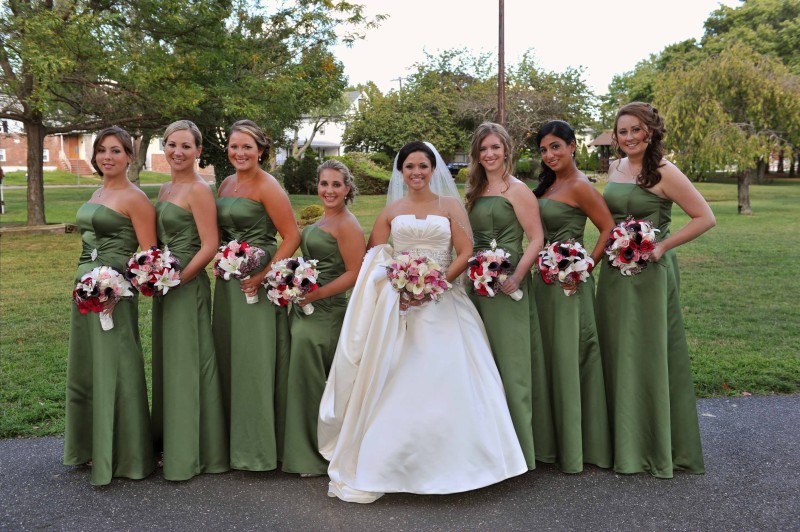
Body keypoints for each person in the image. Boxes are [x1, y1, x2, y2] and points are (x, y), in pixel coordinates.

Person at [318, 141, 526, 504]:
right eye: (409, 167)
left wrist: (437, 283)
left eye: (423, 166)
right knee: (396, 375)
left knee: (449, 375)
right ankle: (391, 462)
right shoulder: (390, 211)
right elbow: (375, 259)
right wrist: (401, 283)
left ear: (434, 169)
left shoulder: (449, 207)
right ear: (401, 171)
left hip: (444, 300)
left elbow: (465, 251)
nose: (416, 173)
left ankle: (467, 463)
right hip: (401, 303)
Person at [596, 102, 715, 477]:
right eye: (622, 131)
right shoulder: (614, 168)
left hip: (649, 274)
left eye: (635, 130)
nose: (629, 137)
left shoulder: (664, 171)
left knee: (647, 352)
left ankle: (652, 446)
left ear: (650, 132)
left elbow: (705, 217)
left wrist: (661, 246)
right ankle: (619, 443)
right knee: (616, 349)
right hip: (615, 274)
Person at [63, 126, 157, 485]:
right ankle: (91, 447)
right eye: (102, 150)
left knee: (116, 364)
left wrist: (115, 286)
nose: (108, 157)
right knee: (89, 366)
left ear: (129, 157)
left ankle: (127, 454)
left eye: (116, 151)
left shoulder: (135, 198)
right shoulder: (98, 190)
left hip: (112, 295)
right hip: (84, 290)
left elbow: (147, 257)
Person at [213, 119, 301, 471]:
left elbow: (292, 236)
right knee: (230, 354)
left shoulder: (268, 186)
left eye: (247, 147)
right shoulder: (225, 184)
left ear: (261, 151)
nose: (240, 152)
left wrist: (264, 274)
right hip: (228, 282)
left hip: (257, 283)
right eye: (234, 146)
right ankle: (231, 442)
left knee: (255, 359)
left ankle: (260, 447)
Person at [532, 120, 615, 472]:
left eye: (556, 147)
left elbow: (608, 228)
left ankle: (577, 446)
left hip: (569, 285)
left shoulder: (580, 186)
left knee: (571, 356)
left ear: (572, 146)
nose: (550, 155)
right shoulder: (551, 185)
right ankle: (549, 442)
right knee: (550, 356)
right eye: (544, 150)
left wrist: (584, 268)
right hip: (543, 281)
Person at [464, 122, 545, 469]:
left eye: (495, 147)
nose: (489, 154)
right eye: (483, 149)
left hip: (507, 288)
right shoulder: (474, 190)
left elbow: (537, 238)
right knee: (481, 367)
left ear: (507, 150)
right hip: (476, 289)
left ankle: (521, 453)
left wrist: (517, 276)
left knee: (511, 369)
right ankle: (487, 451)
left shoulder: (518, 190)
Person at [151, 120, 229, 481]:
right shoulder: (166, 187)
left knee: (189, 363)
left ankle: (194, 450)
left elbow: (210, 245)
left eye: (186, 146)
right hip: (166, 284)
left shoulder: (199, 189)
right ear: (163, 147)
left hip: (187, 283)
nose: (177, 152)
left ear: (199, 151)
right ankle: (172, 440)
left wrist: (178, 280)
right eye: (171, 145)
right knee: (171, 362)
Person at [282, 160, 366, 477]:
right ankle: (299, 448)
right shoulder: (321, 221)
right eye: (323, 183)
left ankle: (317, 455)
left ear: (347, 189)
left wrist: (315, 295)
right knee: (302, 380)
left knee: (314, 383)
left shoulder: (347, 225)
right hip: (306, 309)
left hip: (327, 314)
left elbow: (355, 273)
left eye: (335, 184)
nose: (328, 190)